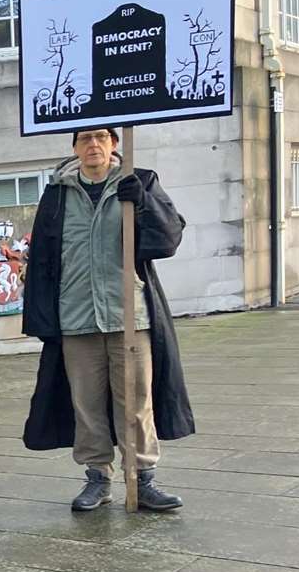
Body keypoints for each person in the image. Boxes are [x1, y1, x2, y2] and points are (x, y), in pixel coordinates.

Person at [22, 128, 192, 511]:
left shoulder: (139, 181)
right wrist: (43, 316)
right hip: (76, 317)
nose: (93, 145)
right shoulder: (58, 193)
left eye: (101, 137)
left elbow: (169, 238)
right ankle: (98, 478)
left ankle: (142, 478)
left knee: (135, 402)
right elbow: (44, 259)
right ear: (75, 148)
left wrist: (144, 203)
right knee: (86, 403)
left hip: (129, 315)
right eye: (84, 139)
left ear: (114, 144)